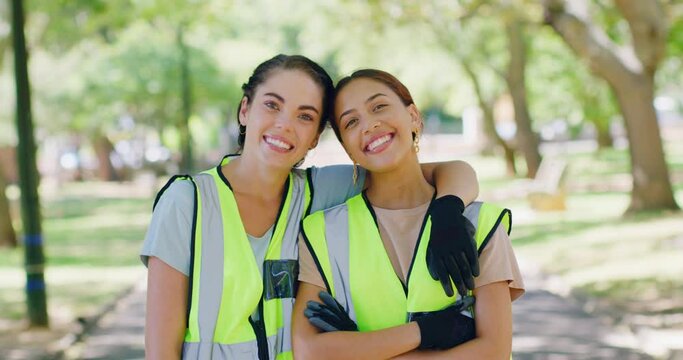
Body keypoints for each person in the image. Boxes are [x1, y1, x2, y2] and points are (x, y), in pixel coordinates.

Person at [141, 55, 481, 359]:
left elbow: (440, 171)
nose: (284, 125)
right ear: (245, 110)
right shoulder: (187, 202)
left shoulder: (321, 191)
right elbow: (160, 350)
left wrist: (448, 208)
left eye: (305, 116)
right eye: (272, 105)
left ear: (315, 138)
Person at [293, 69, 525, 359]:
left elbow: (494, 351)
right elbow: (310, 353)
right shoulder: (320, 233)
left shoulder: (482, 223)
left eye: (379, 106)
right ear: (348, 149)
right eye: (351, 122)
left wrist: (361, 349)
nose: (369, 124)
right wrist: (424, 333)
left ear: (413, 116)